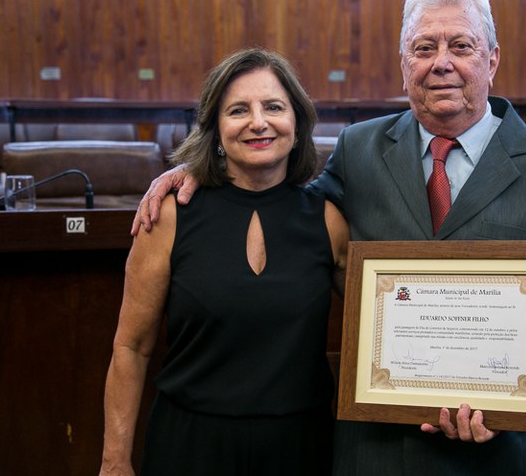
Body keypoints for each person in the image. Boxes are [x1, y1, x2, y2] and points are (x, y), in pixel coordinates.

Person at [132, 0, 526, 476]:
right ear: (404, 66)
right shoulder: (358, 151)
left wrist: (508, 406)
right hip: (373, 453)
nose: (441, 62)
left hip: (489, 457)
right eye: (424, 48)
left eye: (461, 46)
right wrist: (203, 170)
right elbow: (289, 210)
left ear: (491, 60)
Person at [100, 48, 349, 476]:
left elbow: (381, 319)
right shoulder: (169, 218)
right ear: (215, 128)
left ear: (298, 123)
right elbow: (131, 347)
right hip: (190, 445)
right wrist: (114, 461)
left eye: (274, 107)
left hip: (300, 447)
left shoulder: (328, 220)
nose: (258, 122)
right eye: (238, 110)